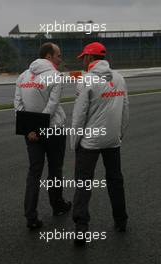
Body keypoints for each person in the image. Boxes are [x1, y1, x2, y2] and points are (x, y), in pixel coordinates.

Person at [71, 42, 129, 246]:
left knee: (83, 183)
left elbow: (79, 116)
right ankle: (121, 220)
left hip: (90, 142)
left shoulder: (86, 80)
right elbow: (125, 110)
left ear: (89, 58)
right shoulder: (120, 78)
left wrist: (74, 143)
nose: (83, 61)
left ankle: (81, 229)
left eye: (83, 58)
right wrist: (118, 135)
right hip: (112, 140)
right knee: (115, 180)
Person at [14, 42, 71, 230]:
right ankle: (57, 206)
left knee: (34, 172)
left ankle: (30, 215)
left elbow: (18, 105)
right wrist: (40, 129)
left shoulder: (23, 76)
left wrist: (30, 130)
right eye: (58, 55)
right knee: (55, 169)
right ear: (49, 56)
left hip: (30, 134)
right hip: (53, 130)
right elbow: (52, 106)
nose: (60, 59)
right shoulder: (56, 76)